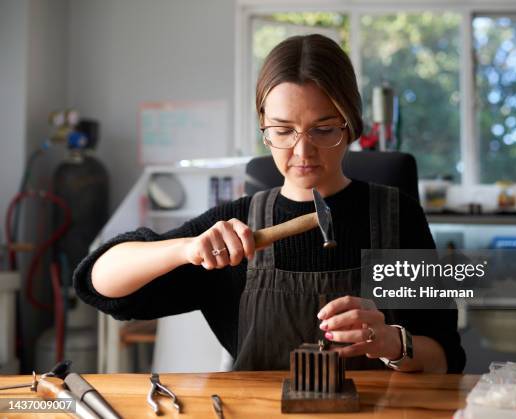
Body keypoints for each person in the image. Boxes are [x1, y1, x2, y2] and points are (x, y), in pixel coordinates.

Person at [74, 34, 465, 373]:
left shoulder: (396, 218)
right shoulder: (235, 228)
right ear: (263, 128)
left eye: (324, 129)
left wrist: (393, 344)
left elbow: (444, 358)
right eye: (282, 130)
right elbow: (97, 282)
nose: (302, 150)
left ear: (352, 125)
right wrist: (185, 249)